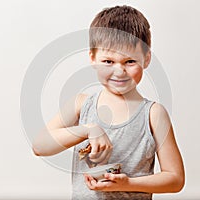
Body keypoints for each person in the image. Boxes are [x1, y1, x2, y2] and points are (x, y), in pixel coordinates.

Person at [32, 5, 185, 199]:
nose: (119, 72)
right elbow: (40, 146)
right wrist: (87, 130)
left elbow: (175, 179)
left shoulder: (153, 114)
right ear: (93, 58)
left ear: (146, 59)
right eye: (108, 62)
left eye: (130, 62)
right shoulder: (81, 105)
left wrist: (128, 183)